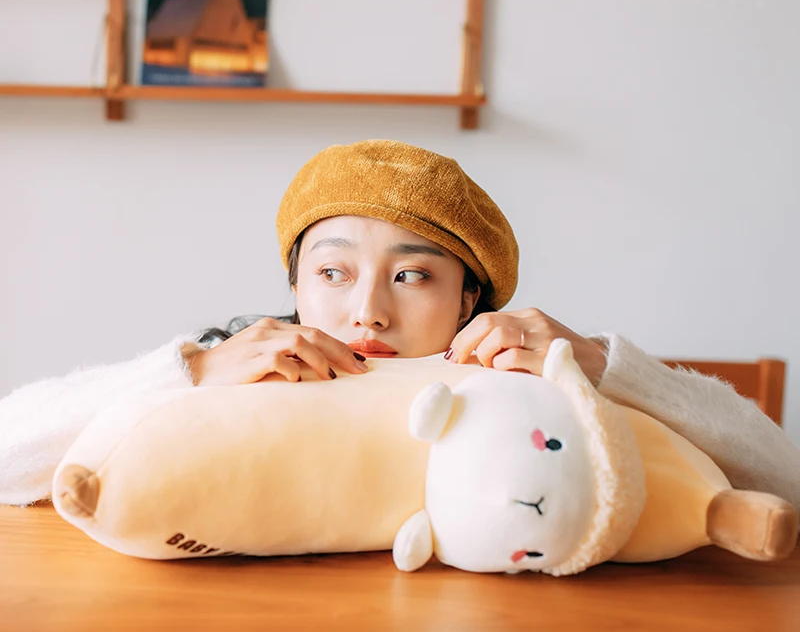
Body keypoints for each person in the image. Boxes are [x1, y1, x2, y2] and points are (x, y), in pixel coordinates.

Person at [1, 139, 799, 513]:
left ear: (469, 299)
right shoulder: (237, 375)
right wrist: (193, 371)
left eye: (412, 276)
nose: (368, 312)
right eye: (333, 273)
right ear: (294, 286)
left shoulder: (529, 386)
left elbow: (783, 486)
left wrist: (602, 364)